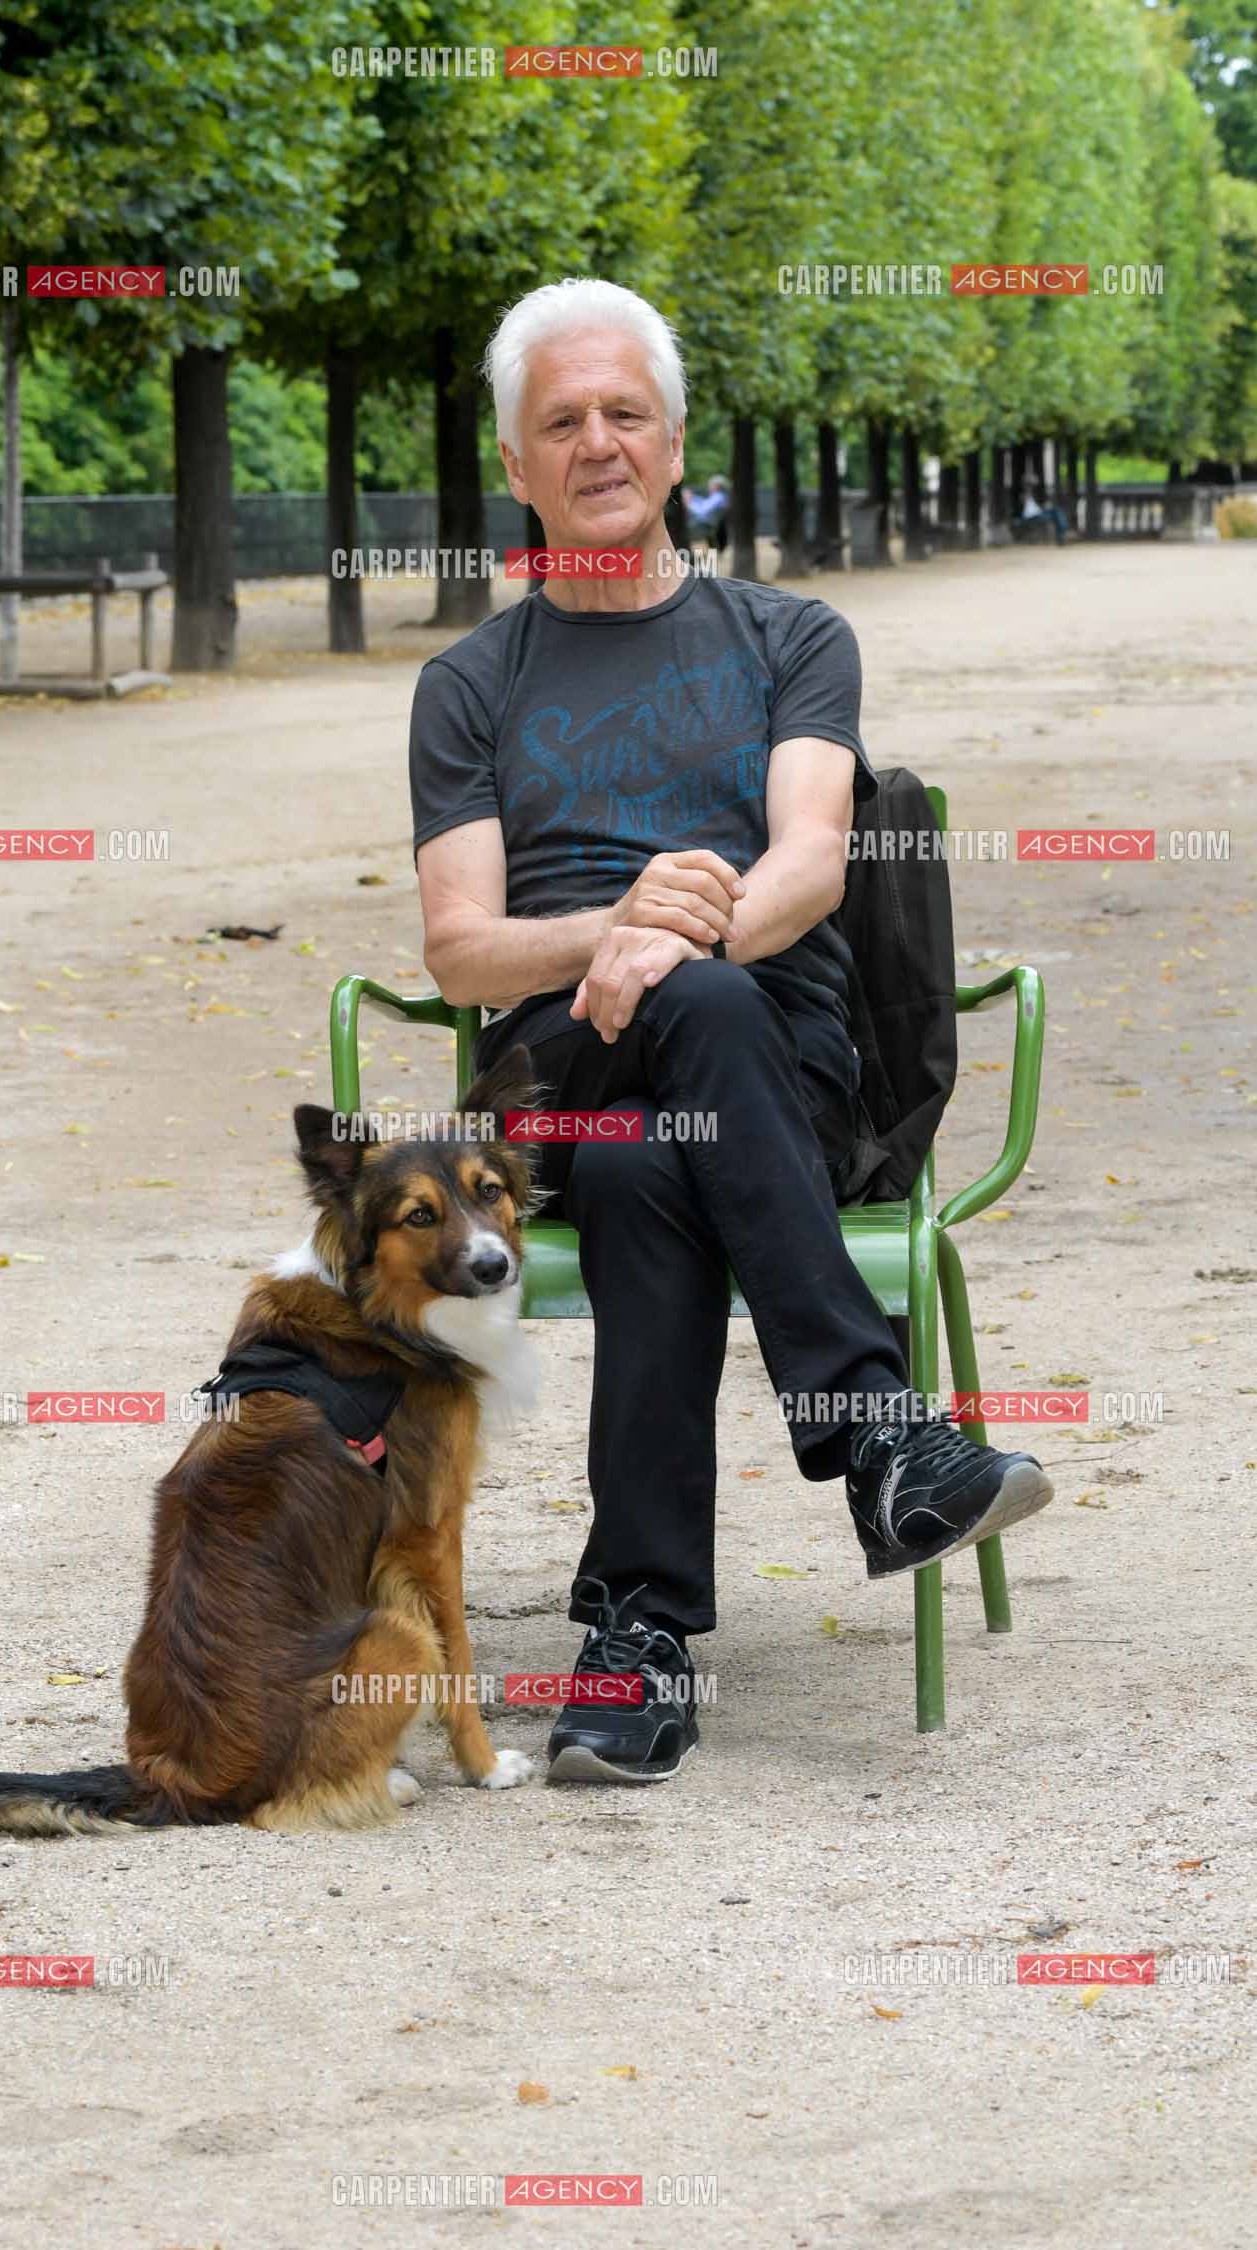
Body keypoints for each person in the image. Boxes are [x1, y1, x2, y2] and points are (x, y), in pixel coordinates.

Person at [408, 278, 1054, 1786]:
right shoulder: (468, 683)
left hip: (779, 1072)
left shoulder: (789, 635)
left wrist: (674, 941)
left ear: (677, 441)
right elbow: (460, 946)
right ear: (515, 462)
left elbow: (812, 860)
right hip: (556, 1083)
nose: (599, 442)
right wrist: (612, 934)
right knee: (659, 1055)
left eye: (625, 413)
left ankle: (635, 1637)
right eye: (562, 421)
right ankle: (879, 1435)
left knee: (658, 1150)